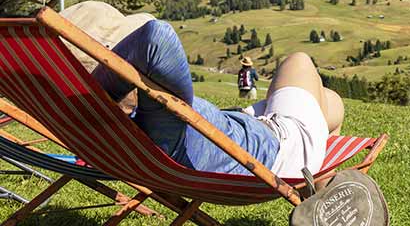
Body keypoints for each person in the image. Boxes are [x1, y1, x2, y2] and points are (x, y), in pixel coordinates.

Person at [92, 18, 345, 179]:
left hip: (247, 132)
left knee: (329, 99)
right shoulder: (163, 126)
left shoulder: (133, 133)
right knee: (299, 61)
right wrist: (107, 94)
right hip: (276, 149)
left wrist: (105, 94)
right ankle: (323, 195)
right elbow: (156, 37)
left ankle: (323, 195)